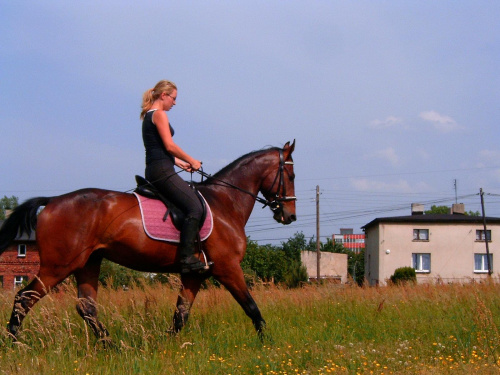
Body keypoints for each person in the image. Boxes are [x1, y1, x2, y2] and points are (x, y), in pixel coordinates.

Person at [140, 80, 208, 273]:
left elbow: (159, 149)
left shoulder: (148, 116)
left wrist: (180, 163)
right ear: (164, 95)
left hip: (157, 167)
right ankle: (187, 258)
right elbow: (169, 146)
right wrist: (192, 160)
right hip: (162, 171)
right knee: (195, 207)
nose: (175, 103)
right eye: (174, 98)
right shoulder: (159, 114)